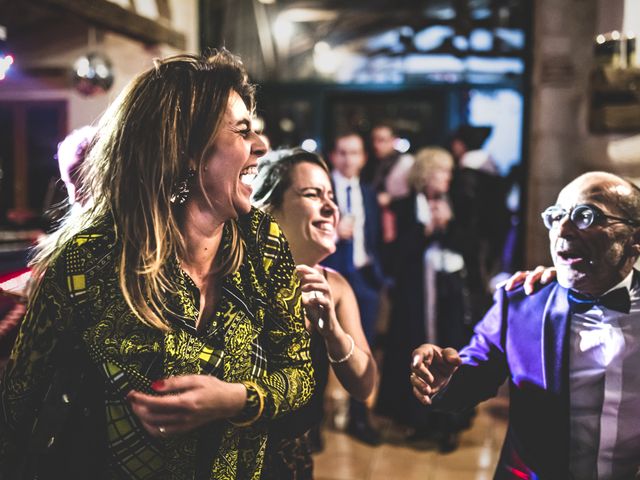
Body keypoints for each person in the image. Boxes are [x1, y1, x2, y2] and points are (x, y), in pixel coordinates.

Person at [0, 51, 314, 480]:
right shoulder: (87, 261)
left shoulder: (263, 241)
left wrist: (238, 399)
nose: (257, 146)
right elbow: (18, 407)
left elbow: (300, 373)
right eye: (241, 131)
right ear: (187, 150)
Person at [410, 171, 640, 478]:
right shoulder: (522, 302)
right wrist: (445, 379)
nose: (563, 229)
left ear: (634, 239)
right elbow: (473, 370)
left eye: (586, 216)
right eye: (556, 216)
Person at [252, 147, 377, 479]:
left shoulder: (334, 287)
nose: (330, 207)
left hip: (295, 462)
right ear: (269, 207)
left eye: (331, 196)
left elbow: (365, 387)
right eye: (312, 194)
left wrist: (334, 332)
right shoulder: (236, 277)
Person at [376, 147, 471, 451]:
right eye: (443, 171)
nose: (448, 177)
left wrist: (449, 226)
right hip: (415, 295)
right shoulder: (404, 207)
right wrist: (426, 230)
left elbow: (472, 246)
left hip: (449, 296)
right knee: (415, 355)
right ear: (427, 174)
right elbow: (394, 257)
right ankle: (418, 420)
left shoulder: (456, 203)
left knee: (450, 354)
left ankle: (449, 425)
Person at [322, 131, 385, 444]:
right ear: (334, 156)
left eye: (355, 153)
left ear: (363, 158)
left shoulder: (368, 192)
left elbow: (374, 238)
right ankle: (312, 426)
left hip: (363, 281)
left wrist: (379, 277)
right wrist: (334, 234)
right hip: (329, 278)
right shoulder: (322, 189)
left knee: (363, 352)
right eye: (343, 153)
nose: (349, 159)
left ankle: (360, 419)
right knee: (318, 353)